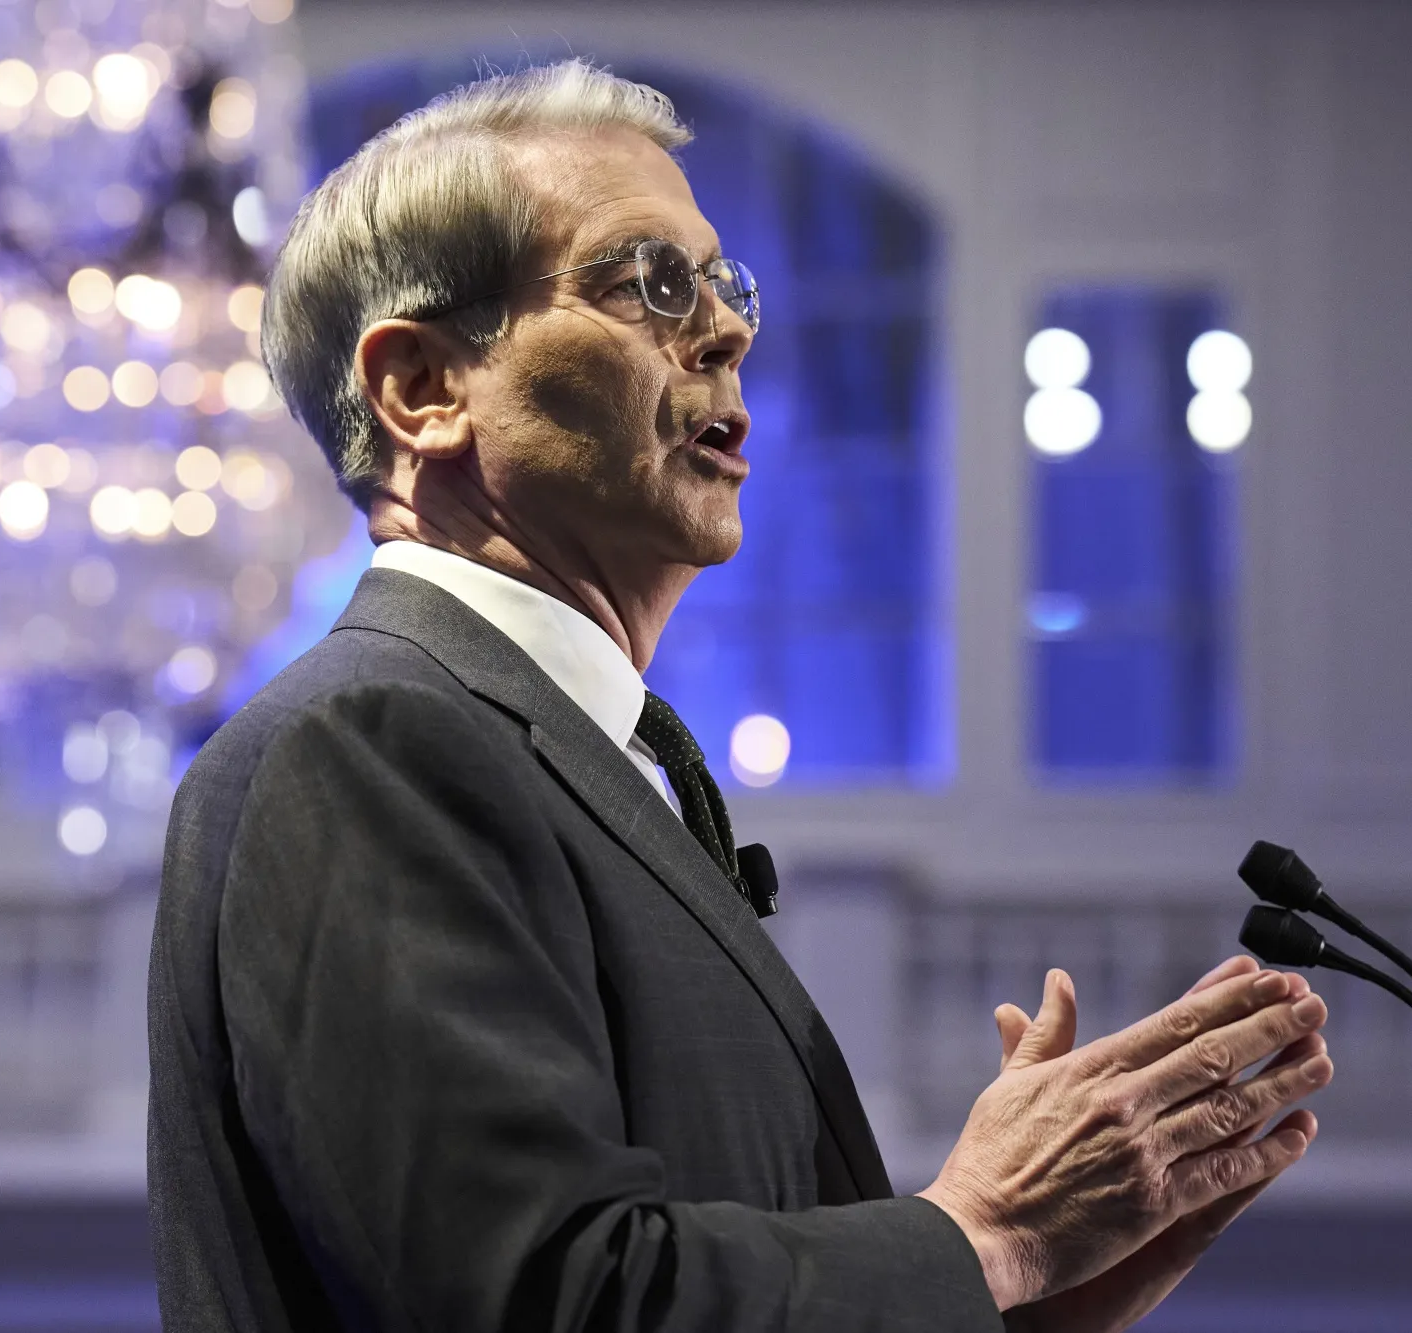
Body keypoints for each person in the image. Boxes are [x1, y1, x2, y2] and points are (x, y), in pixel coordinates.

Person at [147, 60, 1333, 1332]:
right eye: (646, 282)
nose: (725, 330)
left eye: (724, 284)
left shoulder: (570, 758)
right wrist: (980, 1234)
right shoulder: (368, 746)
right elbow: (546, 1301)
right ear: (423, 389)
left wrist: (1001, 1304)